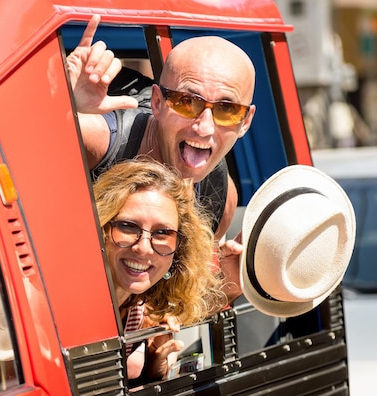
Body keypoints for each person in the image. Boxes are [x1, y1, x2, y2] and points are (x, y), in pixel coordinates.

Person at [67, 15, 251, 301]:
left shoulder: (219, 199)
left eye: (227, 110)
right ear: (156, 102)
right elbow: (3, 145)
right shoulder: (102, 142)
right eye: (187, 102)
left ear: (246, 122)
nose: (204, 127)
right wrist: (65, 109)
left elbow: (175, 296)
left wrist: (227, 282)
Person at [92, 158, 226, 382]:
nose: (143, 248)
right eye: (127, 226)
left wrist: (153, 372)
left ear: (179, 249)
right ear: (100, 227)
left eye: (162, 233)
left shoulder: (138, 310)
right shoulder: (69, 311)